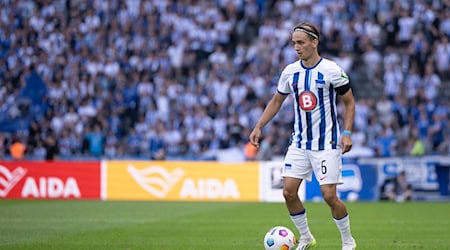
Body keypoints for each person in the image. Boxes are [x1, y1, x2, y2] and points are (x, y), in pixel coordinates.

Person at [249, 22, 356, 250]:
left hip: (326, 143)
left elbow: (349, 102)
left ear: (314, 42)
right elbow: (276, 101)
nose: (296, 47)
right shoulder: (290, 72)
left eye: (301, 42)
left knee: (329, 196)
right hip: (299, 143)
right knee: (288, 192)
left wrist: (346, 133)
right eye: (294, 43)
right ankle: (306, 237)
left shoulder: (331, 70)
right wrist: (259, 126)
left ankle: (347, 241)